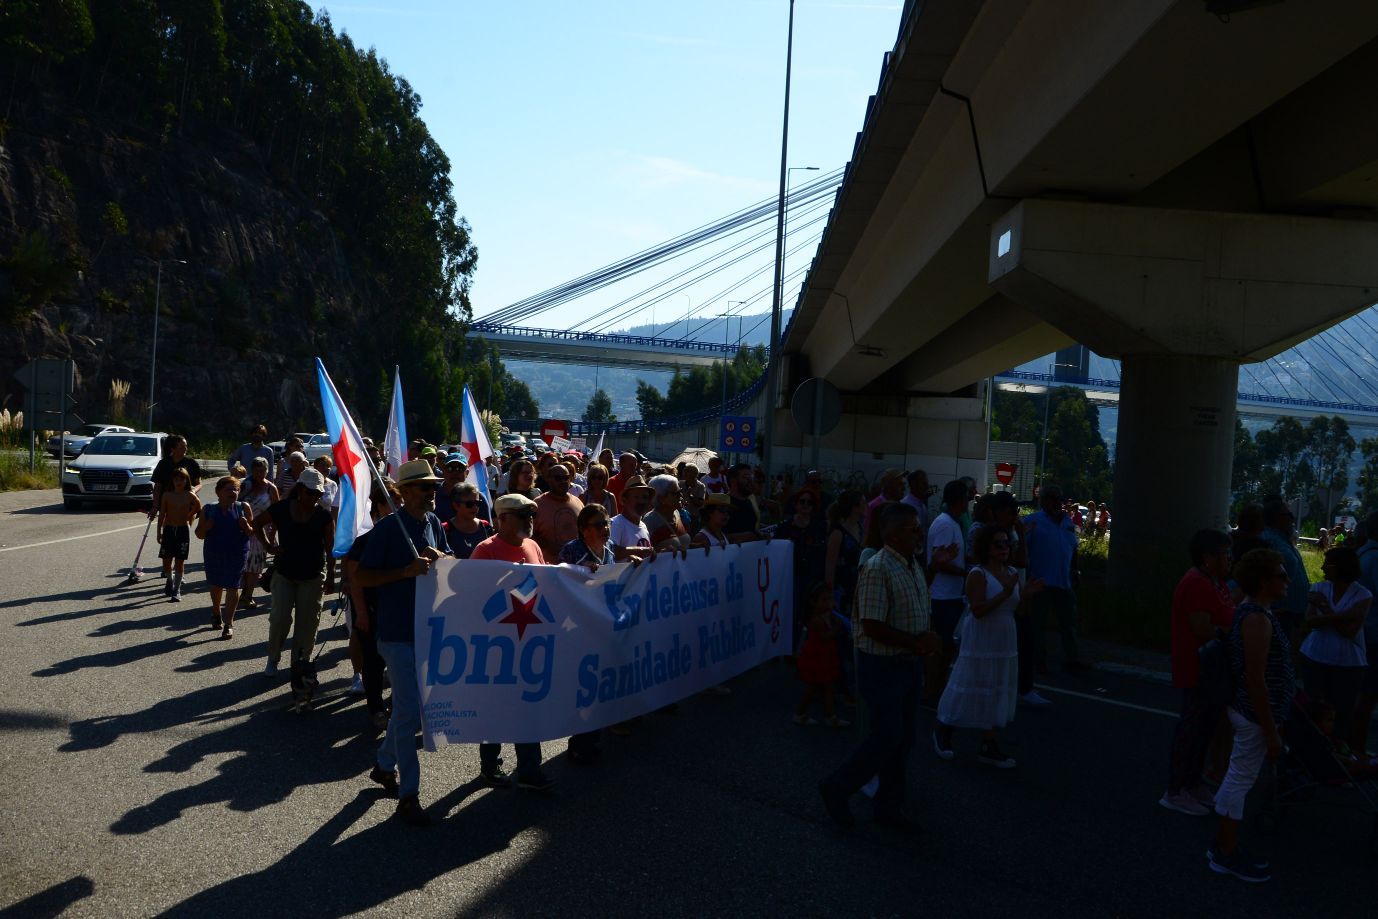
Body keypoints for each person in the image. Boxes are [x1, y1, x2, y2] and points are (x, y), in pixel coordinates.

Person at [818, 503, 944, 830]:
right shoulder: (877, 568)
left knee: (903, 739)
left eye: (919, 528)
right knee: (885, 736)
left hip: (907, 664)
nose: (919, 534)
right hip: (883, 665)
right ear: (892, 533)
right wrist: (916, 642)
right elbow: (872, 625)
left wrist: (924, 640)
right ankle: (839, 786)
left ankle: (889, 806)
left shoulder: (911, 564)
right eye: (912, 528)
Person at [356, 459, 451, 826]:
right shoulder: (386, 529)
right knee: (409, 712)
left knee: (410, 711)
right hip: (396, 634)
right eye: (425, 487)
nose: (432, 493)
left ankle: (383, 764)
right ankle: (409, 795)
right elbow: (362, 576)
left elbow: (443, 564)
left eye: (433, 487)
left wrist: (441, 559)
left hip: (426, 630)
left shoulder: (432, 525)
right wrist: (404, 572)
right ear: (406, 491)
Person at [1207, 549, 1296, 883]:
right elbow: (1255, 679)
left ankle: (1223, 845)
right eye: (1281, 575)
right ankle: (1225, 853)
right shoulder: (1257, 619)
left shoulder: (1257, 612)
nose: (1287, 580)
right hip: (1255, 715)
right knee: (1240, 779)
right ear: (1264, 581)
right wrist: (1271, 730)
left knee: (1238, 776)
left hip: (1254, 712)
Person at [933, 525, 1043, 767]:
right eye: (998, 544)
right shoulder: (978, 574)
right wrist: (1005, 593)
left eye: (1006, 543)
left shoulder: (1012, 572)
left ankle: (988, 742)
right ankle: (944, 729)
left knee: (997, 687)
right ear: (987, 548)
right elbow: (978, 610)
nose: (1004, 548)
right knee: (969, 683)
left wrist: (1026, 596)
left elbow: (1020, 611)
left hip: (1004, 638)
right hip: (981, 636)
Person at [470, 493, 557, 792]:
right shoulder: (486, 551)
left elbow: (546, 585)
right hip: (498, 646)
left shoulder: (533, 546)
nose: (529, 521)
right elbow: (476, 599)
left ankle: (530, 769)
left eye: (531, 515)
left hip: (530, 642)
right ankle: (490, 764)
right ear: (502, 518)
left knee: (528, 707)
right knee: (496, 708)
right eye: (522, 515)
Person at [1159, 529, 1236, 816]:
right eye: (1224, 553)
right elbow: (1203, 628)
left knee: (1204, 730)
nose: (1230, 558)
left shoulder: (1215, 581)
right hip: (1198, 668)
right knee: (1191, 730)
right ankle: (1176, 790)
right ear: (1208, 558)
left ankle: (1192, 783)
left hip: (1213, 670)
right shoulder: (1197, 583)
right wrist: (1236, 632)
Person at [253, 467, 335, 674]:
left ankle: (300, 662)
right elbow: (256, 524)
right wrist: (268, 547)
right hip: (284, 573)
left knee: (307, 624)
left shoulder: (323, 516)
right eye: (311, 492)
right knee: (280, 618)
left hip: (313, 575)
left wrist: (332, 575)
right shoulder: (281, 508)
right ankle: (273, 658)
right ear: (300, 489)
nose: (314, 497)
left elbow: (330, 547)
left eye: (318, 493)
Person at [558, 504, 619, 764]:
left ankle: (592, 738)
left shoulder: (609, 550)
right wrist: (581, 574)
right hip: (576, 629)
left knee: (597, 683)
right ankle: (578, 743)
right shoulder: (572, 550)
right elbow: (559, 582)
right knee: (581, 686)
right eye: (598, 525)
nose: (604, 529)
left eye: (606, 523)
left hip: (599, 626)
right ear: (583, 530)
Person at [1299, 546, 1370, 746]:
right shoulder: (1319, 588)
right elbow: (1310, 622)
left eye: (1327, 564)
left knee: (1342, 713)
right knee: (1314, 710)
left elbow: (1349, 633)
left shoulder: (1362, 594)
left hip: (1348, 663)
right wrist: (1345, 616)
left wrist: (1324, 608)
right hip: (1315, 656)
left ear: (1340, 567)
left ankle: (1338, 755)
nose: (1322, 567)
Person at [344, 479, 400, 729]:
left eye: (399, 503)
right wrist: (362, 614)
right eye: (391, 503)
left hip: (396, 608)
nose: (396, 508)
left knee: (398, 660)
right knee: (373, 661)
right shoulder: (364, 540)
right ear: (377, 507)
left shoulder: (405, 536)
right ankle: (375, 708)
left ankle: (398, 706)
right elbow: (356, 580)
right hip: (370, 606)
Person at [1024, 483, 1089, 674]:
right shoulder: (1032, 521)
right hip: (1040, 582)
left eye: (1058, 498)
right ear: (1043, 501)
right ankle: (1039, 660)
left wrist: (1075, 571)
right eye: (1051, 498)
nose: (1056, 502)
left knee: (1069, 622)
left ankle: (1071, 658)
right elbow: (1020, 548)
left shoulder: (1067, 522)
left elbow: (1073, 548)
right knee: (1038, 624)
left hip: (1063, 581)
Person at [925, 480, 970, 703]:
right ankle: (931, 693)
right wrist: (965, 573)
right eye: (967, 495)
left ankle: (937, 690)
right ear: (960, 499)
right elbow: (939, 560)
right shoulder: (944, 524)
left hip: (950, 595)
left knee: (946, 648)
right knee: (939, 648)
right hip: (942, 596)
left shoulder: (952, 522)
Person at [195, 475, 253, 637]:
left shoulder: (243, 507)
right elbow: (199, 534)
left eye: (235, 489)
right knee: (215, 585)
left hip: (237, 553)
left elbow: (251, 532)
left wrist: (246, 526)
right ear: (218, 492)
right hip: (214, 552)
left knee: (233, 586)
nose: (233, 492)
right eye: (229, 489)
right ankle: (216, 612)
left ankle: (229, 623)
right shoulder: (209, 509)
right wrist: (206, 526)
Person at [777, 489, 828, 651]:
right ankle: (786, 647)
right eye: (802, 501)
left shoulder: (819, 527)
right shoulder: (785, 526)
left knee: (808, 612)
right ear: (796, 504)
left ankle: (803, 648)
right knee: (789, 611)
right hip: (790, 575)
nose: (805, 505)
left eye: (809, 502)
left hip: (811, 575)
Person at [795, 584, 850, 728]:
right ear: (814, 602)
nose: (829, 603)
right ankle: (801, 714)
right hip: (817, 658)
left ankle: (830, 716)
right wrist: (837, 627)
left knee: (827, 687)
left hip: (824, 657)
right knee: (813, 688)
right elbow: (825, 637)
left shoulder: (825, 615)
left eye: (830, 599)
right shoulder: (816, 620)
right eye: (824, 600)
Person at [1260, 499, 1308, 636]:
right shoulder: (1268, 539)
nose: (1292, 518)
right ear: (1276, 517)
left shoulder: (1281, 539)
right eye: (1288, 514)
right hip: (1280, 612)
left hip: (1289, 612)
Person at [239, 457, 279, 610]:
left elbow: (277, 512)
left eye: (262, 470)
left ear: (267, 471)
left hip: (262, 530)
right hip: (243, 529)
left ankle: (247, 595)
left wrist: (272, 532)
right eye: (256, 470)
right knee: (243, 564)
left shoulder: (271, 488)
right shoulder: (245, 485)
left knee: (256, 565)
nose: (259, 473)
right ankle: (242, 593)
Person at [156, 467, 201, 601]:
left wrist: (189, 515)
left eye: (182, 479)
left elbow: (198, 506)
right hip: (169, 529)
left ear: (186, 480)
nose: (178, 481)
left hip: (183, 530)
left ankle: (176, 590)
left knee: (180, 561)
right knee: (166, 561)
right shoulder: (167, 495)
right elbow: (162, 514)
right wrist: (159, 532)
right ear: (173, 481)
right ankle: (170, 579)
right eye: (176, 479)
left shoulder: (189, 494)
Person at [1354, 512, 1378, 754]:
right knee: (1369, 695)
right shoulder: (1376, 558)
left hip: (1363, 629)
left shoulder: (1361, 554)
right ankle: (1358, 748)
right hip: (1375, 632)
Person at [532, 463, 584, 562]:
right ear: (548, 479)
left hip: (576, 566)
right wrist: (547, 545)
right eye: (558, 478)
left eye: (566, 477)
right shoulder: (537, 505)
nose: (563, 481)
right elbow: (528, 535)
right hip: (548, 567)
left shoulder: (578, 502)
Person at [150, 434, 204, 521]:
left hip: (187, 503)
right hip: (168, 503)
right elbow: (157, 486)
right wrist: (155, 506)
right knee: (169, 529)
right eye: (182, 447)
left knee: (184, 530)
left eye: (186, 446)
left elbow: (199, 483)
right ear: (173, 449)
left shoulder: (191, 463)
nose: (185, 449)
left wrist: (193, 491)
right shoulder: (163, 464)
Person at [441, 482, 493, 559]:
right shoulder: (445, 529)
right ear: (456, 505)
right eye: (470, 504)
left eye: (477, 503)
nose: (475, 507)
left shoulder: (485, 526)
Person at [609, 476, 656, 559]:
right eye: (636, 497)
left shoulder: (643, 526)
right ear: (625, 499)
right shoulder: (616, 524)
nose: (641, 502)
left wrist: (662, 554)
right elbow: (609, 552)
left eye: (645, 497)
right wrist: (640, 551)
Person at [644, 474, 691, 551]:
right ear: (661, 498)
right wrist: (660, 552)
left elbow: (683, 546)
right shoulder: (650, 521)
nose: (680, 495)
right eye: (676, 493)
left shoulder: (676, 513)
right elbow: (644, 553)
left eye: (680, 491)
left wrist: (696, 546)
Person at [724, 463, 762, 536]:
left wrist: (760, 532)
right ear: (733, 480)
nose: (750, 481)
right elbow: (714, 537)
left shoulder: (750, 501)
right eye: (745, 477)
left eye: (751, 477)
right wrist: (738, 537)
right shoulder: (723, 504)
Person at [863, 468, 906, 533]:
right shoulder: (874, 506)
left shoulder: (901, 506)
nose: (904, 488)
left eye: (904, 484)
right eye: (899, 484)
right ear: (888, 486)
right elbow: (867, 534)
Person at [681, 463, 707, 530]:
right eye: (684, 470)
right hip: (680, 515)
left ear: (695, 474)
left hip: (693, 516)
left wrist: (691, 496)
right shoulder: (680, 483)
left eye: (687, 471)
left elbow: (701, 503)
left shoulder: (701, 486)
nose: (684, 473)